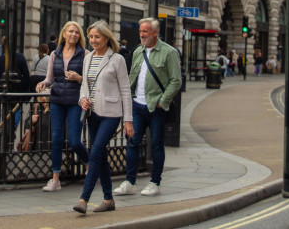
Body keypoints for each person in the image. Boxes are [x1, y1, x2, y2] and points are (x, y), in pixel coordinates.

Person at [113, 18, 181, 198]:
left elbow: (176, 81)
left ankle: (155, 183)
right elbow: (132, 76)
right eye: (141, 31)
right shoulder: (137, 51)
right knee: (132, 142)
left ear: (155, 33)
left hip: (156, 107)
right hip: (137, 105)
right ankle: (130, 182)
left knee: (157, 144)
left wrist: (162, 101)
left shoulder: (169, 52)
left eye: (146, 32)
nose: (142, 35)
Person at [73, 21, 133, 214]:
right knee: (101, 156)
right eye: (90, 37)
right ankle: (108, 199)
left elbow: (125, 90)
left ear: (107, 37)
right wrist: (83, 99)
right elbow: (84, 85)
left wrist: (128, 120)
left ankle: (84, 198)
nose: (93, 40)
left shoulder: (117, 59)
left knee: (96, 151)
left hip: (111, 113)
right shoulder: (87, 57)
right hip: (92, 113)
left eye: (97, 37)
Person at [36, 21, 89, 192]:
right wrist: (43, 83)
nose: (74, 35)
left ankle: (90, 165)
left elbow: (88, 80)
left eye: (77, 32)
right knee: (57, 139)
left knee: (74, 140)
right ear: (64, 34)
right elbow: (50, 78)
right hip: (57, 99)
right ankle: (55, 178)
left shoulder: (85, 54)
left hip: (75, 101)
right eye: (71, 31)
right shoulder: (54, 54)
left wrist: (78, 78)